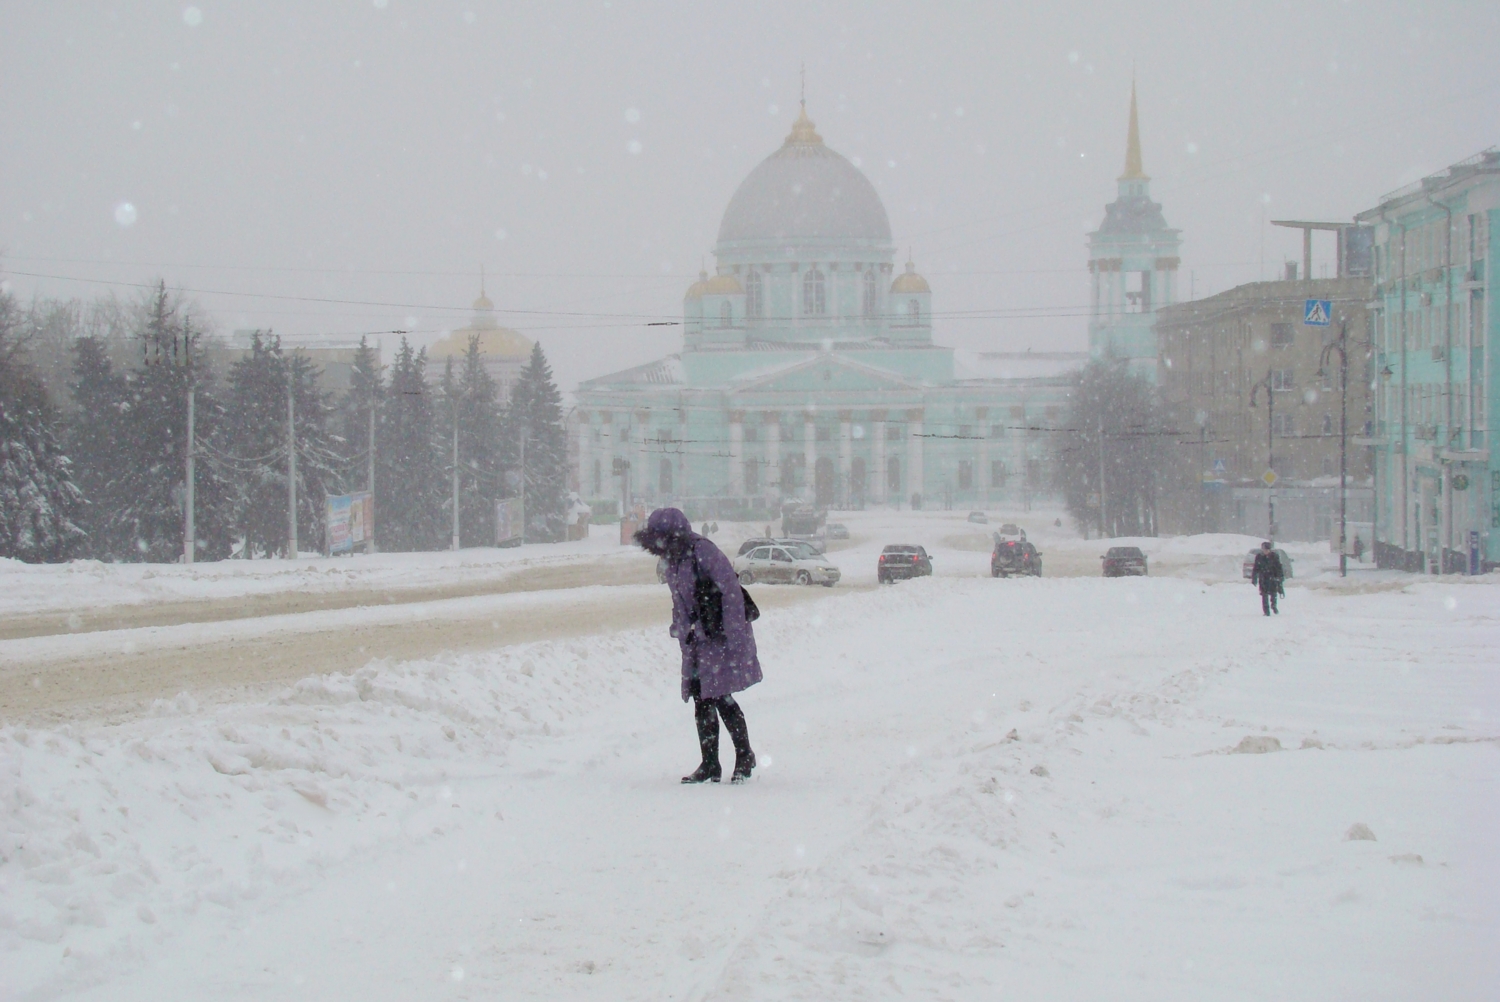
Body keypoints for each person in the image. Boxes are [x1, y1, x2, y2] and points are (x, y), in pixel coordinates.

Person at [634, 507, 761, 784]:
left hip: (720, 636)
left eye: (662, 538)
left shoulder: (702, 551)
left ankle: (744, 756)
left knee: (721, 696)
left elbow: (730, 592)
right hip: (698, 640)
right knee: (702, 699)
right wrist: (682, 634)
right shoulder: (672, 561)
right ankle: (710, 763)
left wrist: (732, 635)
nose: (659, 545)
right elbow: (679, 602)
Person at [1250, 541, 1285, 616]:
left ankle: (1274, 606)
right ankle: (1266, 611)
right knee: (1264, 595)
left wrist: (1280, 577)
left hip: (1273, 578)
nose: (1265, 551)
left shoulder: (1274, 556)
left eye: (1266, 549)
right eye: (1263, 549)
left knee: (1273, 594)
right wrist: (1254, 578)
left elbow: (1279, 568)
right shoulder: (1259, 557)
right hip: (1263, 579)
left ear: (1269, 549)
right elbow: (1256, 568)